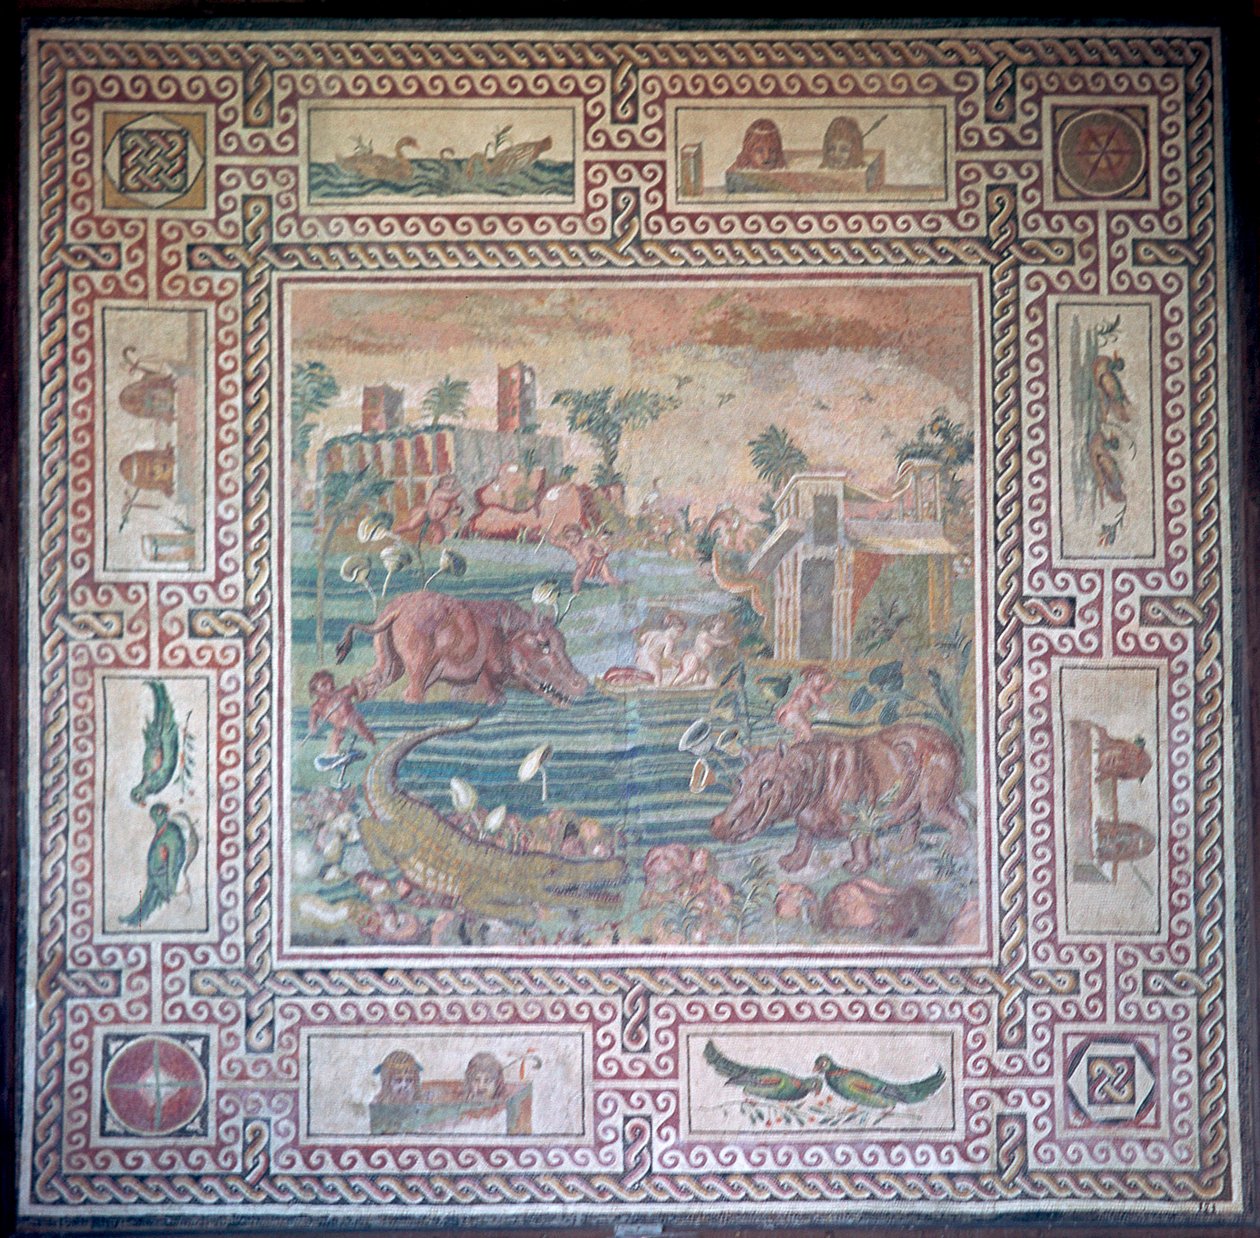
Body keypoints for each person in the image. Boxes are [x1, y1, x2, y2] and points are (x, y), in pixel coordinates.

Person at [307, 669, 375, 756]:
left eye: (331, 683)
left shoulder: (343, 694)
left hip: (354, 722)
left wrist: (360, 686)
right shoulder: (316, 707)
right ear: (315, 691)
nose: (329, 686)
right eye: (324, 685)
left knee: (363, 731)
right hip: (340, 727)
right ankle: (334, 754)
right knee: (336, 737)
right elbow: (312, 720)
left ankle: (374, 745)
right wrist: (313, 726)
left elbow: (356, 687)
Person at [670, 612, 737, 688]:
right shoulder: (705, 634)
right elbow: (717, 643)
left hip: (703, 660)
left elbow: (722, 640)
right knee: (687, 674)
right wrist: (729, 641)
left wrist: (730, 642)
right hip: (694, 658)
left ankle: (691, 690)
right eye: (720, 622)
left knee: (701, 677)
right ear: (714, 622)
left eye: (723, 622)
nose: (722, 624)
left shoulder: (718, 635)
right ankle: (673, 687)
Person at [774, 665, 838, 743]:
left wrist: (831, 685)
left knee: (799, 731)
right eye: (821, 680)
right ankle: (809, 745)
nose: (823, 683)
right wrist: (830, 706)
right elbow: (818, 702)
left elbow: (821, 691)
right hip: (795, 714)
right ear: (811, 678)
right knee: (808, 732)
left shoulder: (802, 687)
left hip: (786, 714)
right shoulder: (809, 690)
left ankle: (797, 743)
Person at [559, 524, 623, 593]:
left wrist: (598, 556)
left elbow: (600, 550)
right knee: (576, 579)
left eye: (575, 536)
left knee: (607, 577)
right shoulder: (571, 546)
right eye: (569, 537)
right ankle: (575, 592)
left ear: (580, 534)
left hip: (597, 562)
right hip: (583, 567)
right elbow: (557, 542)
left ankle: (621, 585)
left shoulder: (588, 541)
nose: (573, 539)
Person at [635, 612, 686, 686]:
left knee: (645, 677)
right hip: (651, 660)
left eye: (681, 633)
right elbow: (666, 655)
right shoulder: (669, 641)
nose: (680, 635)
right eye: (679, 631)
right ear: (671, 628)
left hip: (640, 657)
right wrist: (676, 662)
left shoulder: (653, 632)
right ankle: (657, 690)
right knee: (658, 677)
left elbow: (641, 639)